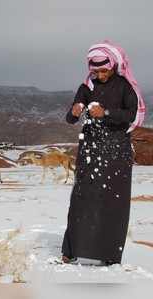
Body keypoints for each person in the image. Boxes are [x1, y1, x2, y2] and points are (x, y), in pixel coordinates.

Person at [61, 41, 146, 265]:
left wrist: (105, 112)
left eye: (104, 70)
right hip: (90, 147)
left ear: (113, 65)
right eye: (95, 70)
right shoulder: (86, 87)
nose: (99, 74)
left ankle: (108, 254)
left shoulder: (124, 86)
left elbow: (131, 114)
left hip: (117, 148)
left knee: (113, 201)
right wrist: (74, 111)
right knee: (82, 198)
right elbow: (70, 119)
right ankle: (71, 251)